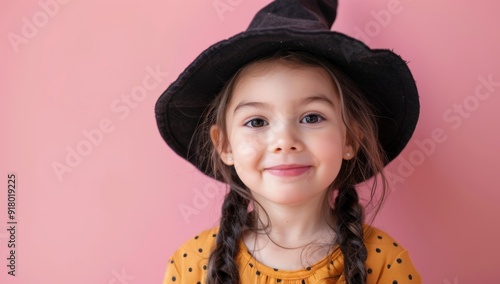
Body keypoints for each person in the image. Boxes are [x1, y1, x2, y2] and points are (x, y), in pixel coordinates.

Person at [155, 0, 421, 283]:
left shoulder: (384, 263)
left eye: (311, 118)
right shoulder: (192, 265)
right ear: (225, 145)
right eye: (257, 122)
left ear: (351, 138)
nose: (285, 141)